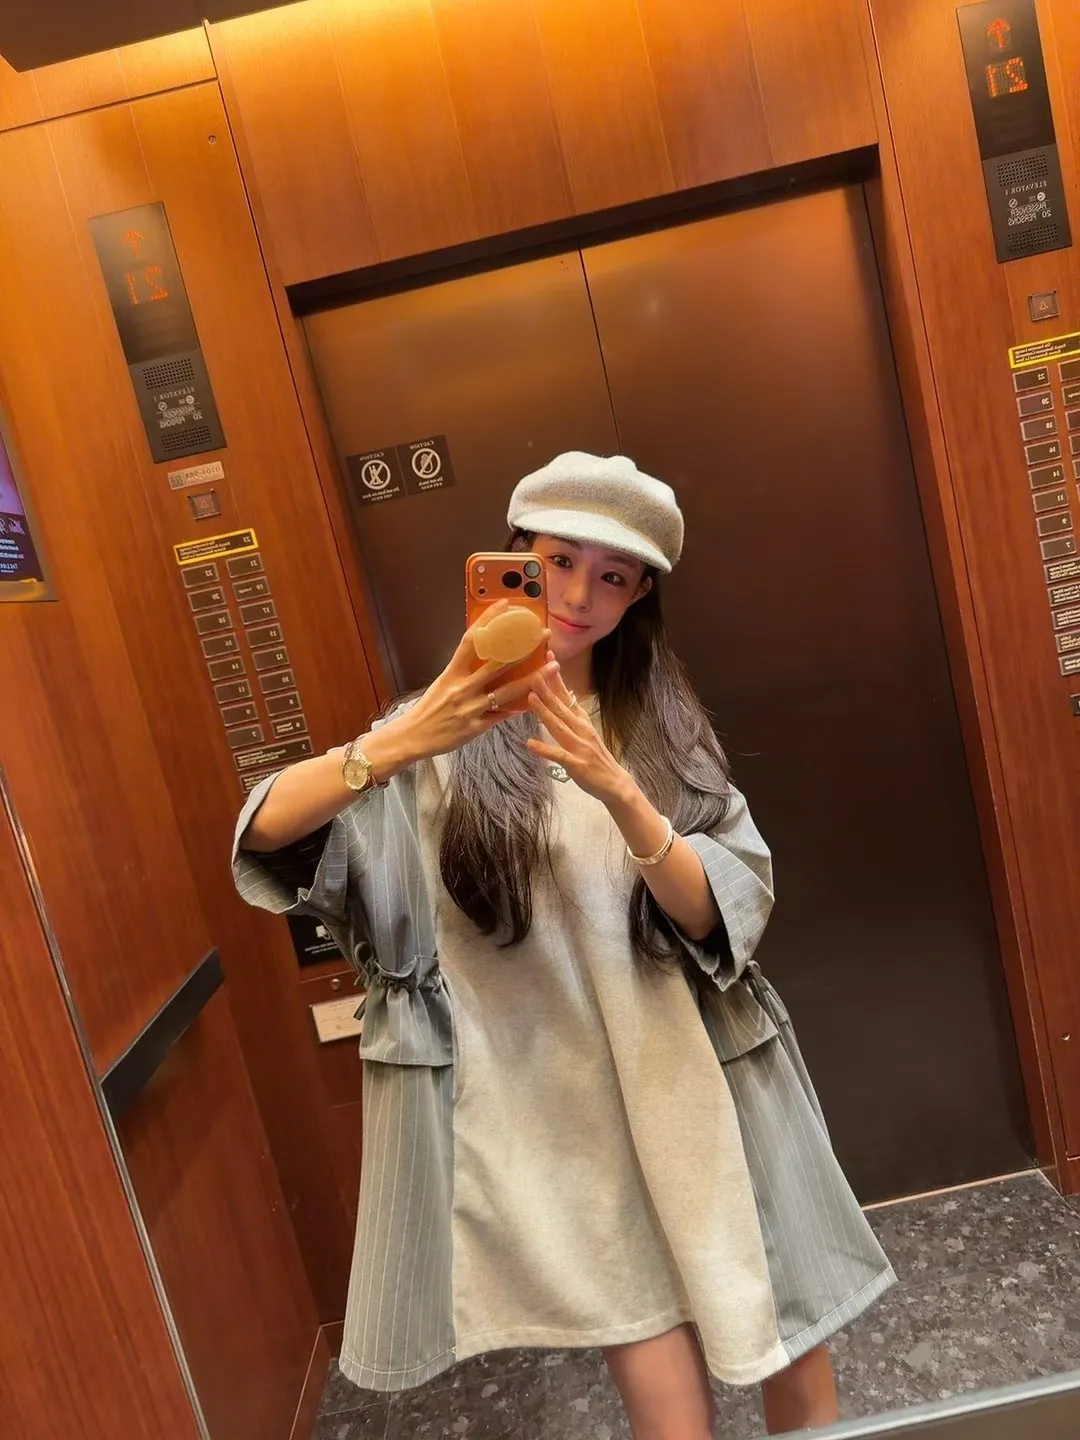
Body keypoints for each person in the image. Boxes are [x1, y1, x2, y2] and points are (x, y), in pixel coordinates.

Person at [232, 452, 895, 1439]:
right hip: (559, 1108)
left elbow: (721, 914)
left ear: (641, 596)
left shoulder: (663, 731)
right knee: (648, 1345)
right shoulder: (437, 730)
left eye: (614, 575)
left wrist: (622, 792)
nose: (581, 596)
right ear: (514, 559)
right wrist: (400, 743)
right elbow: (267, 833)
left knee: (787, 1325)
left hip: (700, 1078)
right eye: (558, 562)